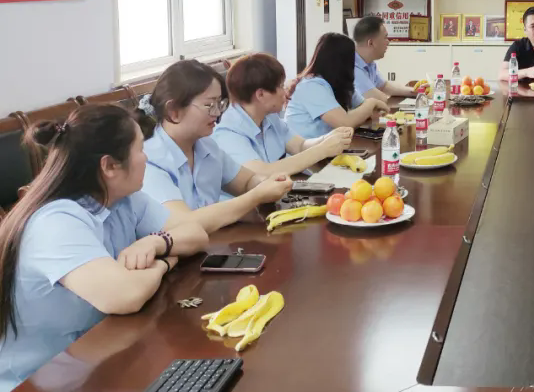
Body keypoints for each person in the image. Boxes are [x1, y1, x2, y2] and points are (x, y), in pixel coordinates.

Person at [0, 105, 208, 391]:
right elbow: (125, 296)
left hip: (97, 358)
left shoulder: (124, 199)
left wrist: (156, 242)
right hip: (37, 380)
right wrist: (165, 261)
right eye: (140, 149)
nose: (146, 157)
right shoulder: (55, 222)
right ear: (109, 166)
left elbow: (196, 233)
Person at [138, 60, 293, 233]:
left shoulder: (206, 146)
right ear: (173, 110)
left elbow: (246, 182)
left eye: (220, 104)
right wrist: (256, 196)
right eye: (209, 105)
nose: (218, 113)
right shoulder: (148, 160)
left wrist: (267, 183)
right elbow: (183, 224)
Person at [213, 53, 353, 191]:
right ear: (260, 94)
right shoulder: (227, 132)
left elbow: (300, 146)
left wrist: (328, 139)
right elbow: (261, 173)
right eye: (280, 86)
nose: (285, 92)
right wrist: (322, 150)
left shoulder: (269, 117)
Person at [285, 32, 388, 139]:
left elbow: (362, 108)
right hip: (306, 148)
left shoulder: (339, 83)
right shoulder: (312, 86)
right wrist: (372, 103)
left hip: (329, 145)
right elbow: (344, 122)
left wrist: (370, 107)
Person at [352, 16, 426, 104]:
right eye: (385, 38)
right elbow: (379, 98)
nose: (388, 42)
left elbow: (384, 86)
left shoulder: (369, 62)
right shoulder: (351, 66)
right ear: (371, 43)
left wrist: (419, 91)